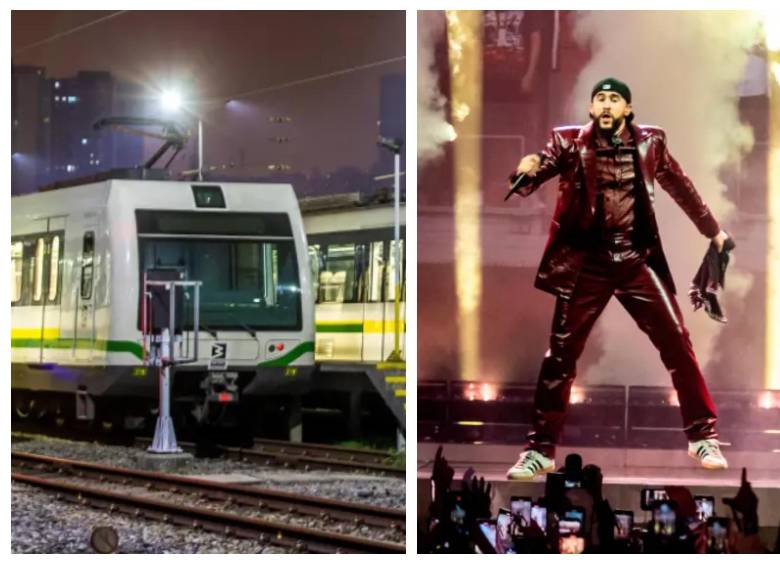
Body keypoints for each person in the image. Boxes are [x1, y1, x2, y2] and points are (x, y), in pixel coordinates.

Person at [505, 77, 730, 480]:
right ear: (591, 109)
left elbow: (681, 187)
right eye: (600, 99)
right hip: (586, 264)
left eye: (614, 99)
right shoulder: (567, 142)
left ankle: (703, 437)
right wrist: (526, 171)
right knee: (560, 355)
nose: (606, 105)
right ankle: (539, 450)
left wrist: (713, 231)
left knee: (677, 342)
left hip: (635, 260)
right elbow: (537, 171)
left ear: (627, 108)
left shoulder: (651, 142)